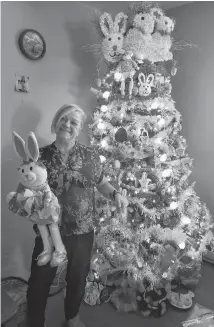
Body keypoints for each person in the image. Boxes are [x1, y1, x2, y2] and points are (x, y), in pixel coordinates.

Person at [10, 104, 127, 327]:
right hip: (49, 232)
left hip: (83, 230)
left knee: (77, 278)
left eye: (74, 122)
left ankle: (72, 317)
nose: (67, 125)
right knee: (39, 282)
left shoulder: (90, 155)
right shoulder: (39, 155)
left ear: (79, 128)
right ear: (55, 123)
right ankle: (35, 322)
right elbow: (24, 187)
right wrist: (21, 200)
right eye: (63, 119)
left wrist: (115, 194)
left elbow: (101, 183)